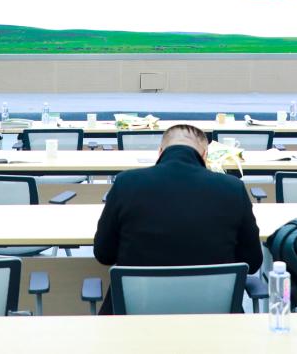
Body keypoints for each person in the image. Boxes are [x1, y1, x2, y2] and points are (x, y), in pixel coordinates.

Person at [93, 123, 263, 313]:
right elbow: (252, 261)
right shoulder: (233, 188)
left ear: (160, 152)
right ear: (205, 156)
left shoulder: (126, 183)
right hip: (215, 315)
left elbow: (104, 254)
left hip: (135, 314)